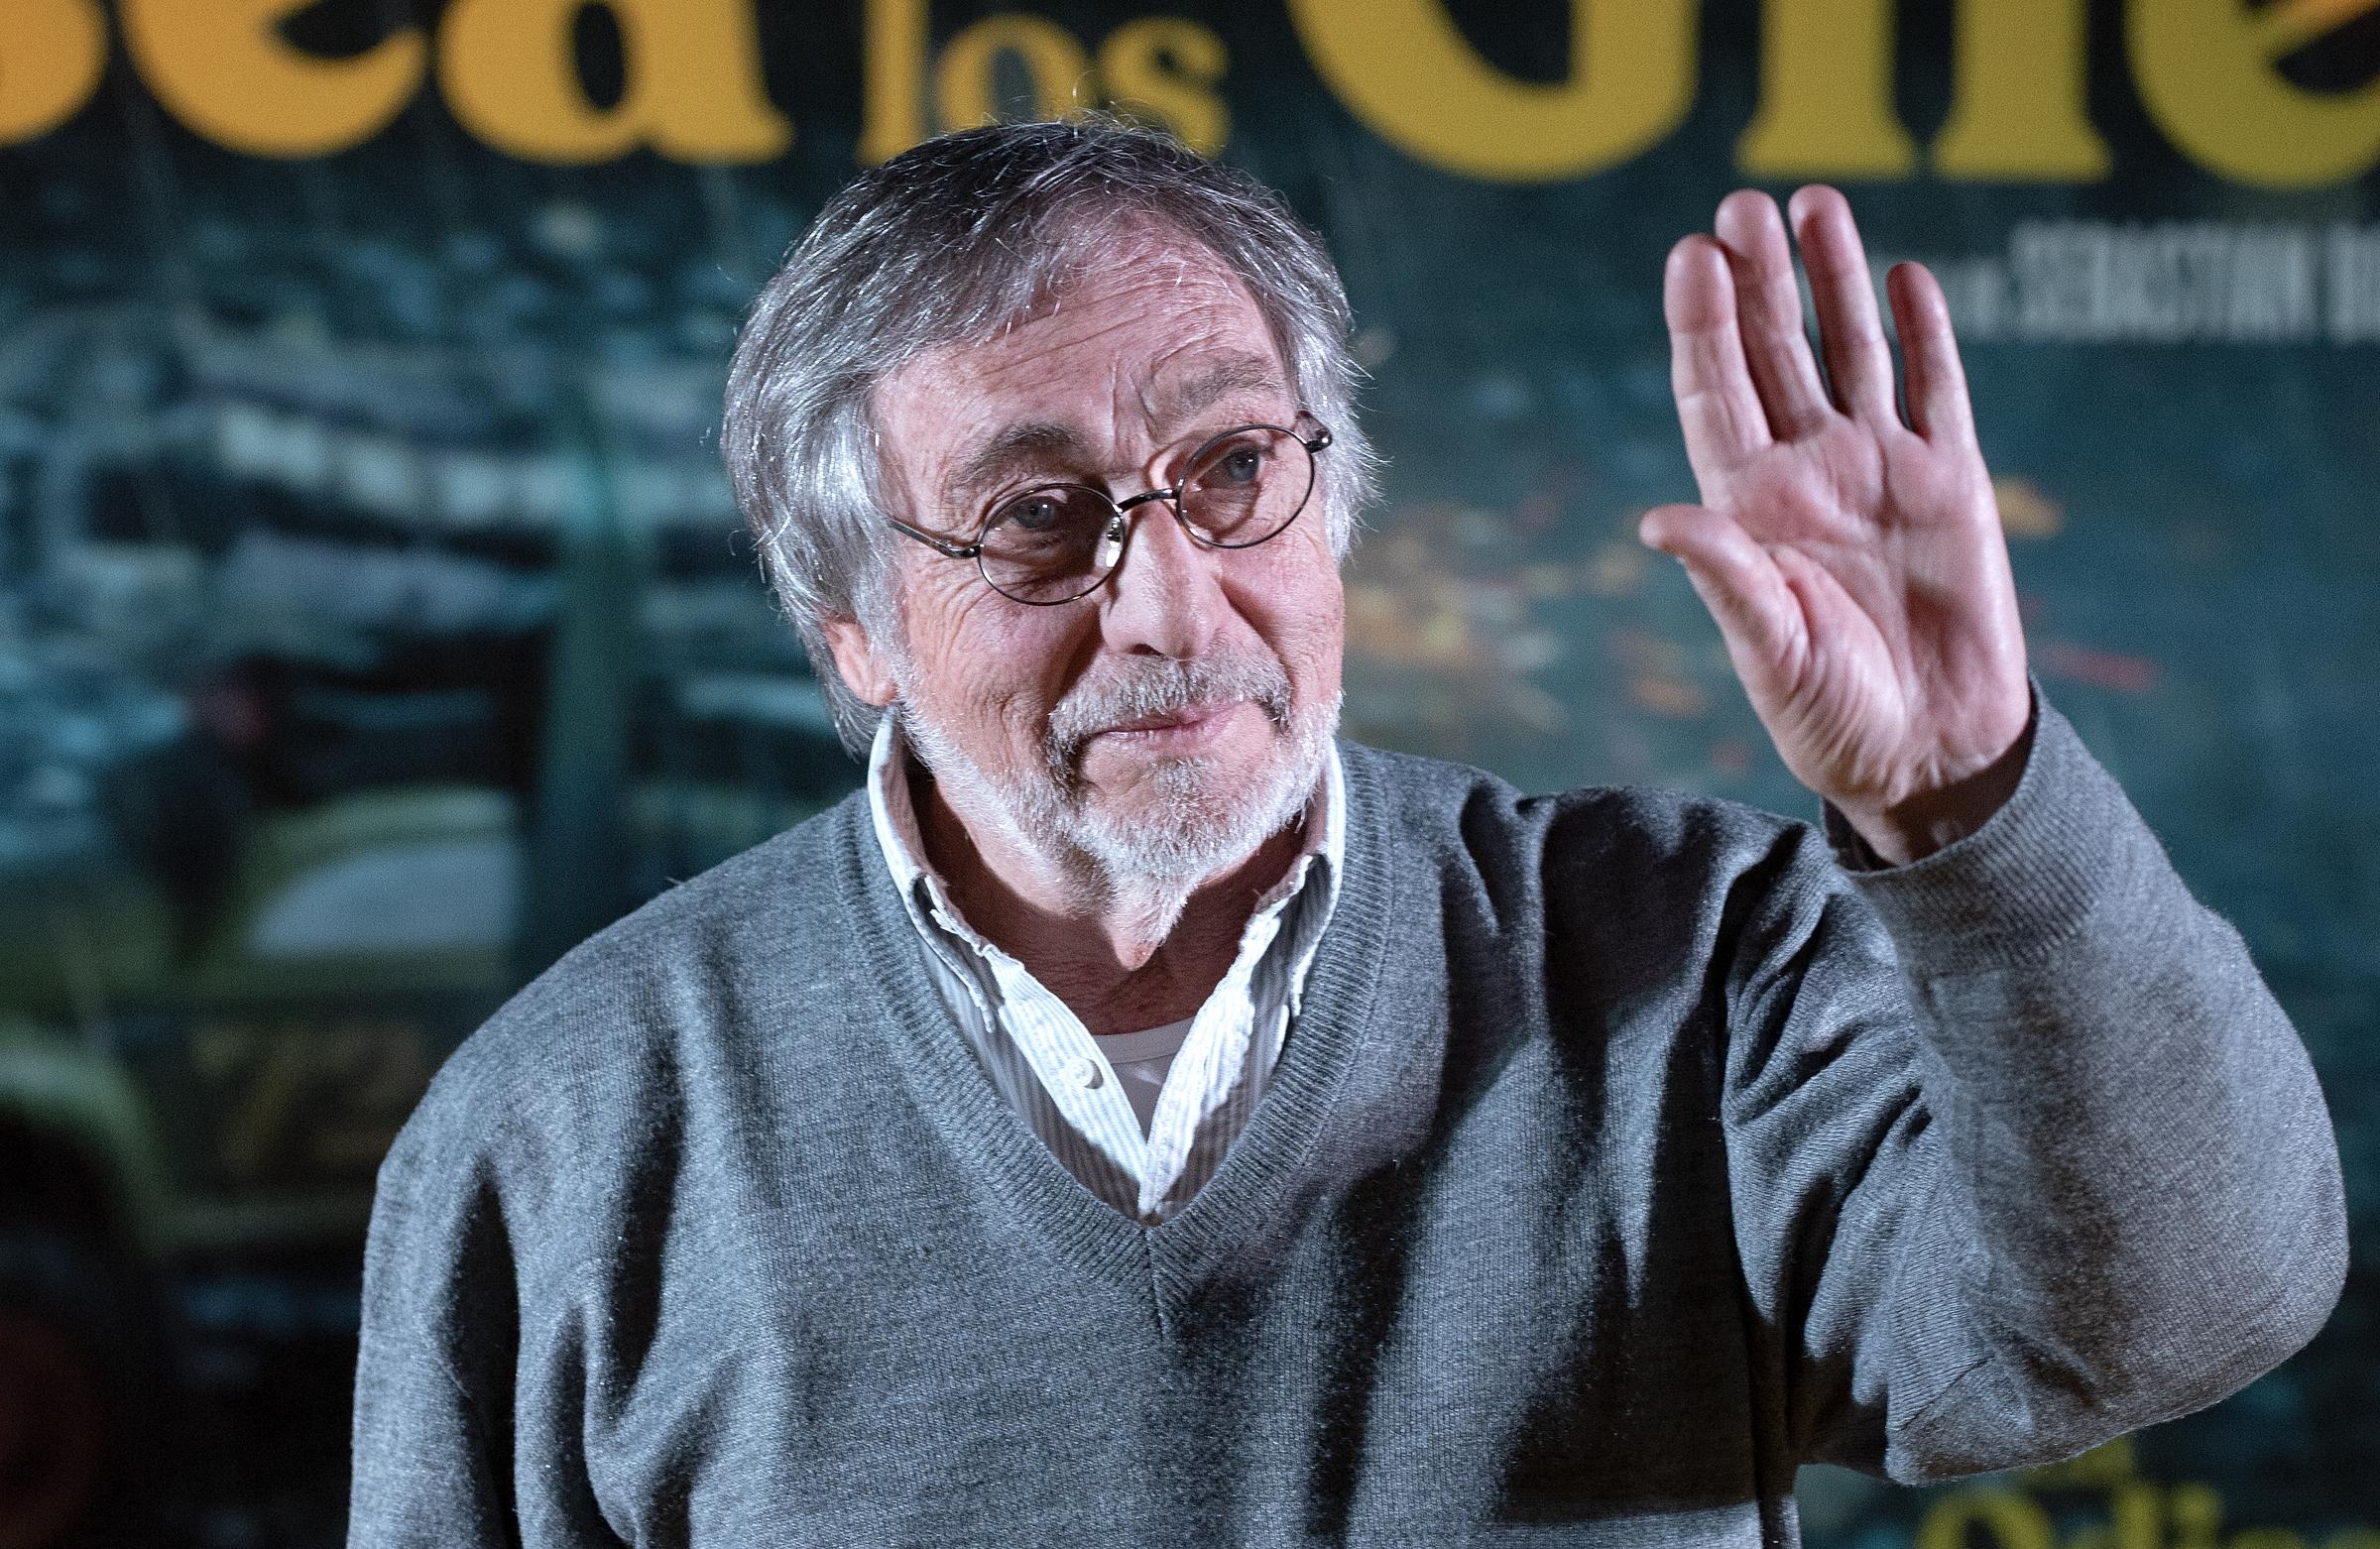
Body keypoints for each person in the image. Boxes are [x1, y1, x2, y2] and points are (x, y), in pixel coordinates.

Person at [348, 120, 2345, 1546]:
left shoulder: (1695, 960)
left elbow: (2189, 1302)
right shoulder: (564, 1135)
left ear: (1338, 498)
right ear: (851, 625)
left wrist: (1965, 800)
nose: (1166, 603)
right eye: (1037, 517)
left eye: (1231, 467)